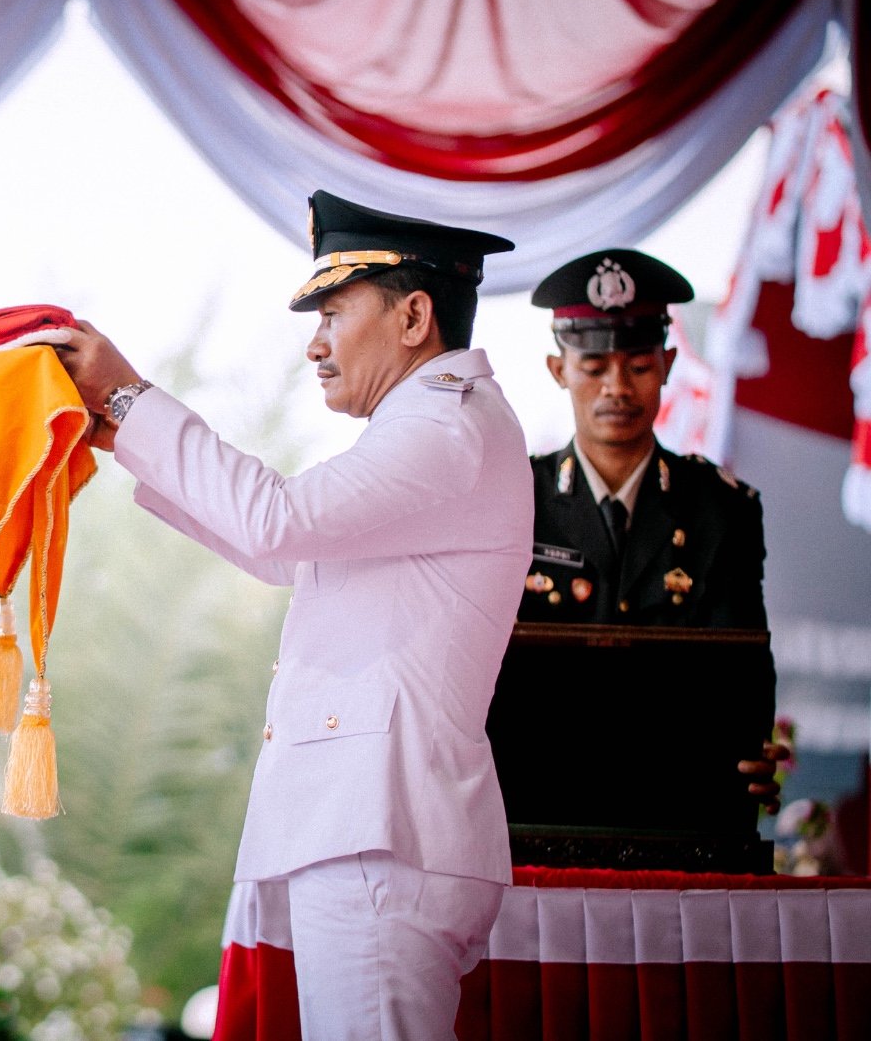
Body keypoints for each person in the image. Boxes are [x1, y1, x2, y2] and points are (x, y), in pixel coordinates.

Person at [57, 192, 531, 1039]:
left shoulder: (443, 427)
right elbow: (287, 552)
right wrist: (122, 435)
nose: (315, 344)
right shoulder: (434, 424)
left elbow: (278, 520)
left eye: (334, 314)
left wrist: (128, 399)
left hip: (382, 835)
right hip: (375, 830)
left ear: (414, 317)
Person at [523, 248, 786, 808]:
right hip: (541, 798)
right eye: (594, 368)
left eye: (639, 366)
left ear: (667, 365)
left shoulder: (722, 510)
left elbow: (741, 672)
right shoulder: (517, 501)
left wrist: (750, 752)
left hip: (683, 800)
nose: (617, 387)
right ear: (559, 370)